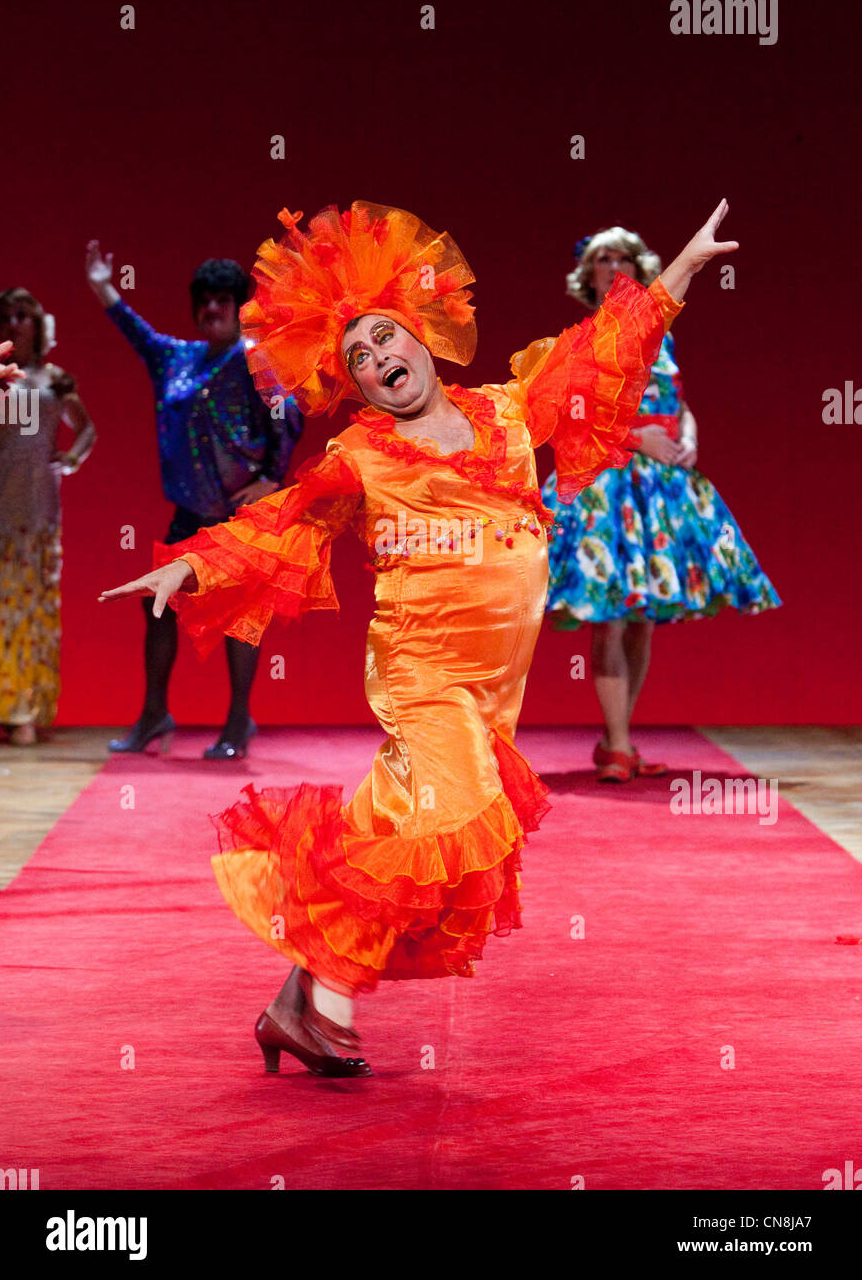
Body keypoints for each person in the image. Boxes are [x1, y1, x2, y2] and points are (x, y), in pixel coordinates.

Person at [99, 197, 736, 1077]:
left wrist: (682, 272)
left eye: (385, 340)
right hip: (422, 673)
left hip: (493, 688)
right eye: (357, 357)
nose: (377, 360)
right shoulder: (362, 458)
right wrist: (190, 566)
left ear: (422, 338)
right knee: (450, 820)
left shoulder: (512, 413)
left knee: (395, 832)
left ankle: (293, 1005)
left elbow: (600, 353)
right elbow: (288, 520)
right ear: (353, 385)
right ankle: (327, 1008)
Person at [541, 226, 780, 781]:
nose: (614, 265)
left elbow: (680, 403)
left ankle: (616, 738)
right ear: (588, 274)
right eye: (603, 258)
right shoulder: (582, 338)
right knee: (609, 613)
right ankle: (620, 744)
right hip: (608, 484)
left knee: (642, 618)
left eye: (623, 257)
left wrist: (690, 437)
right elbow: (569, 417)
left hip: (664, 488)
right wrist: (634, 440)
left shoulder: (662, 337)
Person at [85, 244, 304, 757]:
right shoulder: (175, 358)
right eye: (203, 300)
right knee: (158, 606)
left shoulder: (254, 358)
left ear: (238, 306)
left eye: (222, 300)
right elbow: (134, 329)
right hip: (190, 512)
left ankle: (237, 723)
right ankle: (155, 715)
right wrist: (102, 286)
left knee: (240, 615)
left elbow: (288, 414)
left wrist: (273, 477)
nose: (211, 309)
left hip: (238, 516)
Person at [0, 291, 96, 745]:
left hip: (39, 512)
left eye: (23, 316)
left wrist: (71, 458)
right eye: (7, 317)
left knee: (31, 609)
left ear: (37, 323)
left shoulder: (56, 381)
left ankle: (23, 711)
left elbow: (88, 428)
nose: (16, 323)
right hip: (0, 506)